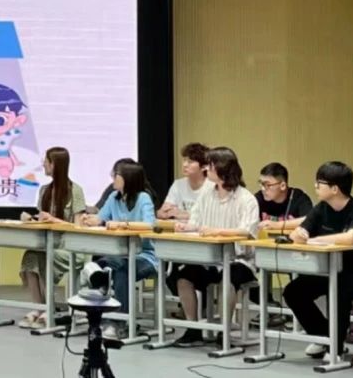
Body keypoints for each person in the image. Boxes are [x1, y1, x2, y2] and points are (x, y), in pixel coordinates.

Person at [283, 161, 353, 362]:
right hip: (327, 270)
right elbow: (299, 231)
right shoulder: (321, 208)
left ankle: (336, 347)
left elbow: (352, 238)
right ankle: (324, 336)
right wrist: (300, 234)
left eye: (320, 183)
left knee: (339, 289)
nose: (315, 186)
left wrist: (314, 240)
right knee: (293, 291)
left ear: (335, 189)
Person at [167, 146, 260, 347]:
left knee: (229, 278)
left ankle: (224, 332)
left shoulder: (246, 199)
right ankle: (193, 329)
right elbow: (196, 221)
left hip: (239, 259)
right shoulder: (206, 194)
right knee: (183, 277)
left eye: (209, 165)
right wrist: (186, 227)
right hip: (209, 258)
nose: (206, 169)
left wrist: (217, 231)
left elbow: (247, 231)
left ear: (222, 168)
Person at [78, 160, 157, 340]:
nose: (112, 178)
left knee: (120, 270)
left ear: (127, 178)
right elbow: (100, 218)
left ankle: (119, 323)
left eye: (116, 175)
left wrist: (122, 224)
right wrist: (89, 219)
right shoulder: (114, 197)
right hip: (119, 255)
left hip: (145, 256)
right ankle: (102, 316)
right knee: (105, 265)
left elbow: (149, 225)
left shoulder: (143, 198)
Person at [18, 146, 87, 330]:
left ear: (55, 164)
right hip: (48, 243)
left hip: (69, 247)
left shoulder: (75, 191)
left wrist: (54, 220)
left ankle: (48, 309)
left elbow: (78, 227)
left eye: (46, 161)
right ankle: (39, 307)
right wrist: (32, 219)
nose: (43, 164)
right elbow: (43, 218)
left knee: (45, 257)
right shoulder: (44, 190)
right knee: (30, 256)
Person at [158, 142, 211, 221]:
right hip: (178, 228)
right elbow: (164, 210)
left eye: (190, 162)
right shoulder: (178, 184)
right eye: (184, 160)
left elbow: (211, 216)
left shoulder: (212, 187)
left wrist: (184, 215)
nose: (185, 165)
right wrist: (162, 213)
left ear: (204, 167)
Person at [256, 162, 313, 233]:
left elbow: (310, 220)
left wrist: (276, 225)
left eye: (267, 185)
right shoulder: (259, 198)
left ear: (282, 186)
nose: (263, 189)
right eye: (261, 184)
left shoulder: (298, 197)